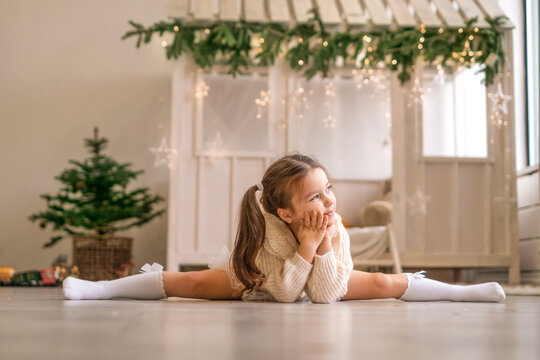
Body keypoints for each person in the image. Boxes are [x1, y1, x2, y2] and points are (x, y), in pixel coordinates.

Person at [63, 154, 506, 303]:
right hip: (263, 278)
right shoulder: (269, 234)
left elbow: (326, 294)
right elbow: (284, 292)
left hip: (322, 275)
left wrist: (323, 243)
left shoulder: (335, 227)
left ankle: (464, 292)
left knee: (383, 280)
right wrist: (306, 246)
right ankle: (98, 289)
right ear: (285, 214)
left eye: (328, 189)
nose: (328, 201)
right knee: (192, 281)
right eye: (315, 197)